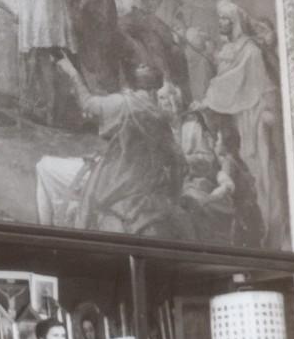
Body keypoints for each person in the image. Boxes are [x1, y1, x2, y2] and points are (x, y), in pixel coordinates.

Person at [35, 62, 190, 237]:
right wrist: (173, 198)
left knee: (43, 165)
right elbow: (179, 164)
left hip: (115, 184)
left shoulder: (123, 104)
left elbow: (87, 103)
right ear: (156, 88)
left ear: (133, 83)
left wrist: (72, 73)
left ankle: (45, 233)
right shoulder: (159, 120)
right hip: (147, 189)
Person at [198, 0, 286, 248]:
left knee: (257, 173)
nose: (221, 23)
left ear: (235, 21)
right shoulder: (233, 48)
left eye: (225, 19)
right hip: (237, 116)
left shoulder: (250, 50)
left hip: (252, 117)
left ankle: (270, 230)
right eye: (220, 19)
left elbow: (237, 83)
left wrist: (209, 96)